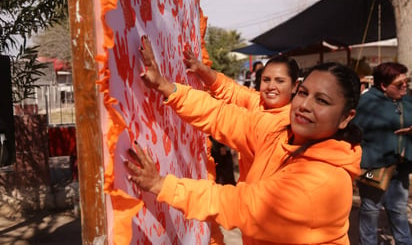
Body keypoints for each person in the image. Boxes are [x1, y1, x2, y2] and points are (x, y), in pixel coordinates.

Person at [124, 35, 362, 244]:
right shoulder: (280, 129)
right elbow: (222, 115)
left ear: (346, 118)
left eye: (322, 101)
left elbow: (237, 204)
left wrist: (161, 185)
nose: (305, 106)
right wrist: (166, 87)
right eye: (304, 94)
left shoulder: (322, 182)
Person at [183, 45, 300, 181]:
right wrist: (202, 70)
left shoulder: (294, 123)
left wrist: (167, 89)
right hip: (245, 192)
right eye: (266, 80)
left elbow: (219, 117)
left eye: (280, 81)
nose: (271, 87)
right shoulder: (258, 101)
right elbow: (229, 89)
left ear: (295, 86)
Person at [353, 62, 412, 244]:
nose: (404, 87)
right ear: (384, 86)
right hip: (372, 169)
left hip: (398, 169)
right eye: (399, 84)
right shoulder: (366, 103)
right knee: (370, 210)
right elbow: (352, 133)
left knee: (398, 210)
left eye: (406, 82)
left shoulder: (407, 100)